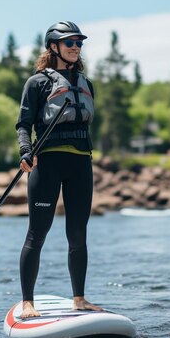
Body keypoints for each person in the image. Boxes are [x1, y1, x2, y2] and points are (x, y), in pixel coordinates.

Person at [15, 21, 102, 319]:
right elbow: (23, 125)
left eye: (78, 43)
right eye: (69, 43)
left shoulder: (86, 83)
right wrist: (26, 151)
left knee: (78, 234)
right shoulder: (37, 83)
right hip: (47, 164)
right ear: (54, 47)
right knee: (37, 233)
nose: (75, 47)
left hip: (80, 164)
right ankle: (28, 302)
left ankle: (79, 298)